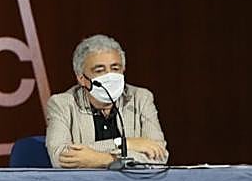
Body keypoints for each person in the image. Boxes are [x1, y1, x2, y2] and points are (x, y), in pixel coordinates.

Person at [45, 34, 168, 168]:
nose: (110, 76)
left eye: (115, 68)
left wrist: (103, 159)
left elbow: (159, 157)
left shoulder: (140, 99)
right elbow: (60, 158)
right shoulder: (62, 104)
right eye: (100, 70)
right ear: (82, 78)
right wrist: (126, 144)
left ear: (124, 70)